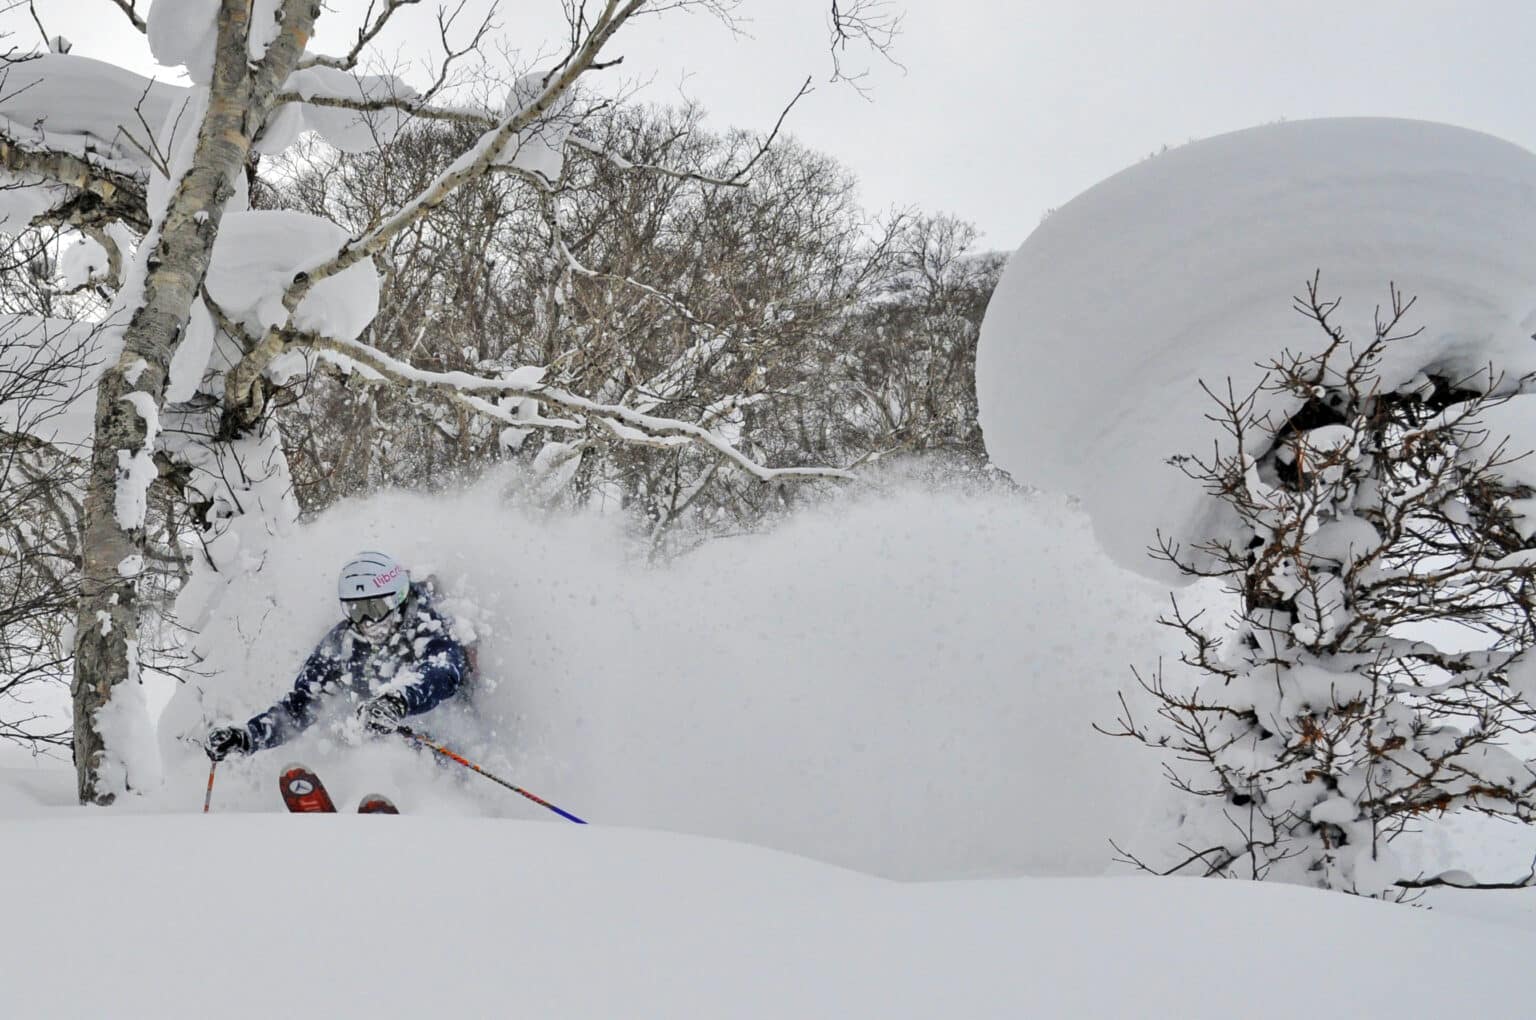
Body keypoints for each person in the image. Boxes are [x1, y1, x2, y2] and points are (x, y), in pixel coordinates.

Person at [203, 551, 470, 761]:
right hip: (375, 742)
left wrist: (398, 700)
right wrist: (249, 736)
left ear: (397, 598)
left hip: (443, 739)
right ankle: (347, 803)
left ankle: (426, 805)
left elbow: (443, 670)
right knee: (350, 745)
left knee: (412, 750)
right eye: (355, 610)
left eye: (374, 608)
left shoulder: (428, 626)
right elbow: (302, 703)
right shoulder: (344, 643)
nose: (365, 621)